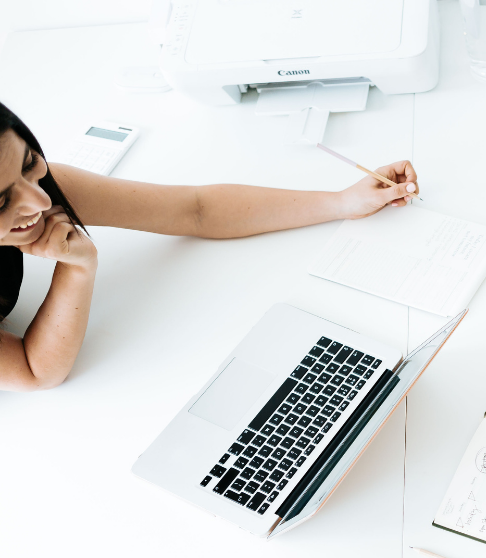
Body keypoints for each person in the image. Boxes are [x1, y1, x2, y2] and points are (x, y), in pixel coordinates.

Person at [0, 101, 418, 391]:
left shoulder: (40, 190)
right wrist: (77, 268)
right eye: (3, 200)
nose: (38, 201)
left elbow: (195, 209)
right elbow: (36, 372)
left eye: (29, 163)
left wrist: (342, 202)